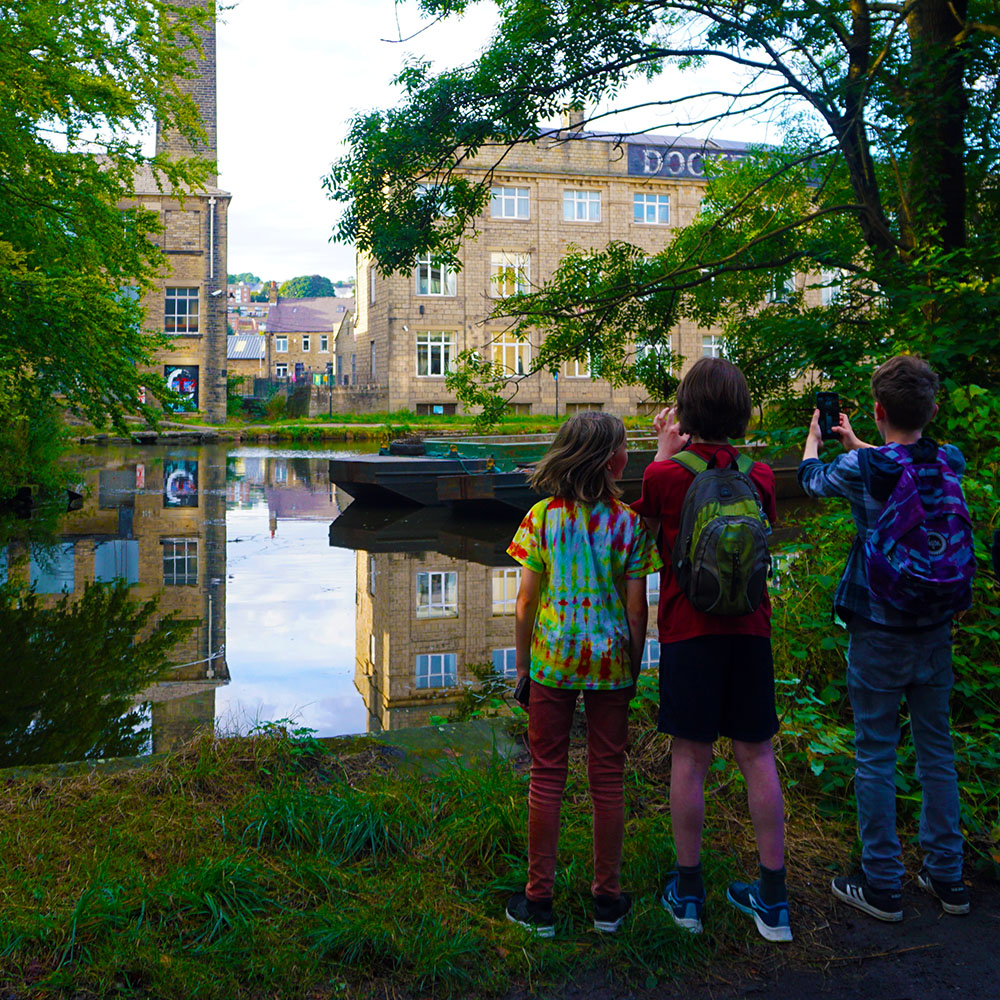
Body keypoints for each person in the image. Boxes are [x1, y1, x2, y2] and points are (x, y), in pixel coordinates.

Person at [799, 355, 972, 921]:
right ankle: (949, 879)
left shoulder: (863, 469)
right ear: (934, 408)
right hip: (936, 628)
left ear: (877, 411)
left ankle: (883, 885)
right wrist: (859, 443)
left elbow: (812, 482)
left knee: (875, 751)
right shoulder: (949, 459)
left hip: (878, 627)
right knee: (936, 749)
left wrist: (817, 440)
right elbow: (905, 462)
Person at [633, 356, 791, 943]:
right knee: (757, 757)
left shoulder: (666, 476)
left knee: (689, 759)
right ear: (742, 412)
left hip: (687, 633)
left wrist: (663, 451)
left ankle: (689, 892)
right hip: (751, 634)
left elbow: (643, 535)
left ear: (685, 411)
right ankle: (773, 900)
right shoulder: (764, 474)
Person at [504, 411, 661, 938]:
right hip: (611, 662)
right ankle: (607, 902)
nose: (626, 455)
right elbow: (638, 610)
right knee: (607, 779)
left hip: (551, 662)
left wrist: (523, 666)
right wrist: (634, 668)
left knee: (546, 776)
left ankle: (539, 902)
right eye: (622, 448)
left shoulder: (542, 518)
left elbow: (525, 602)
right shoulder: (630, 524)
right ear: (611, 460)